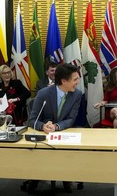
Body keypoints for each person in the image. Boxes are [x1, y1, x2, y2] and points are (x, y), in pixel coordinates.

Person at [27, 63, 82, 193]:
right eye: (75, 79)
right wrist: (43, 126)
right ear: (63, 81)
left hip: (63, 133)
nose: (78, 82)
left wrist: (56, 126)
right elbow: (32, 120)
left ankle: (65, 177)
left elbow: (71, 119)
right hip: (43, 136)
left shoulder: (77, 94)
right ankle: (36, 176)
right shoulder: (43, 94)